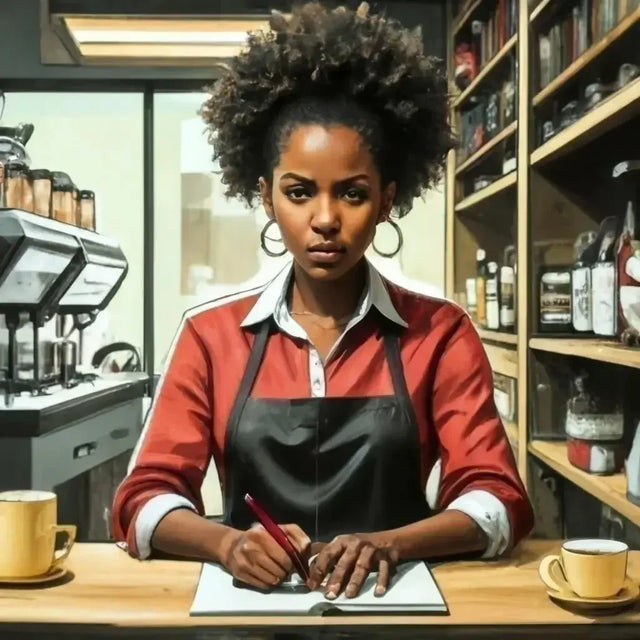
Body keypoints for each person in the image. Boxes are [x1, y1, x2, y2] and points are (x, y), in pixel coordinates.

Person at [112, 1, 534, 600]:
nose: (326, 219)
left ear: (388, 201)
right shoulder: (210, 336)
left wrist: (394, 542)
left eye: (353, 193)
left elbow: (498, 500)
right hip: (250, 615)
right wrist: (225, 543)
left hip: (396, 611)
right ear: (266, 198)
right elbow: (142, 500)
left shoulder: (440, 334)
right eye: (300, 192)